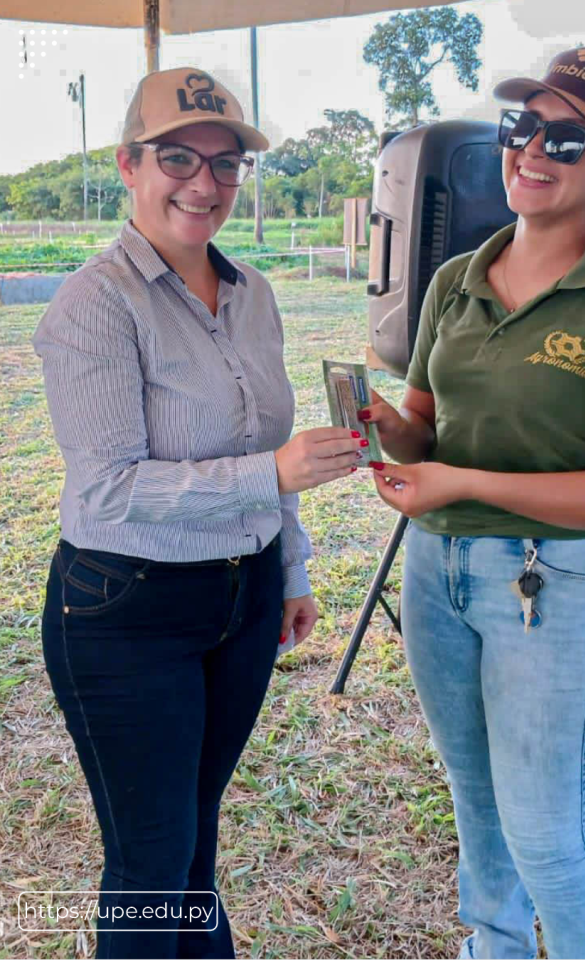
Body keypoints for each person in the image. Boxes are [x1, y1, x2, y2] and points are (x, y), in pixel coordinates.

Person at [33, 67, 367, 959]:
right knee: (150, 858)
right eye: (177, 157)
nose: (203, 182)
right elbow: (107, 489)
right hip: (127, 608)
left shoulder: (254, 293)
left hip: (245, 599)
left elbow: (274, 442)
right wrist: (272, 473)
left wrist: (287, 572)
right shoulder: (92, 306)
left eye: (226, 164)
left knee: (196, 838)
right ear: (129, 164)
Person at [364, 46, 585, 960]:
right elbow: (426, 431)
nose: (531, 150)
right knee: (478, 809)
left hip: (550, 586)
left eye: (567, 136)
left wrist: (459, 484)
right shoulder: (455, 280)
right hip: (437, 575)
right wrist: (382, 426)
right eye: (521, 126)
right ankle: (492, 949)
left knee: (546, 836)